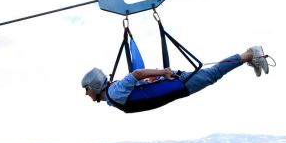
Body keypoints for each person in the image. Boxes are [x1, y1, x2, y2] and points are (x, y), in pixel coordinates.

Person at [81, 46, 271, 113]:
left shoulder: (114, 92)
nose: (86, 93)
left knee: (212, 74)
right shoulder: (113, 96)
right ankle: (249, 56)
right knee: (212, 75)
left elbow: (136, 74)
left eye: (87, 89)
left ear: (95, 86)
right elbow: (138, 84)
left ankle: (250, 54)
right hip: (176, 86)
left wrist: (163, 72)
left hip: (178, 84)